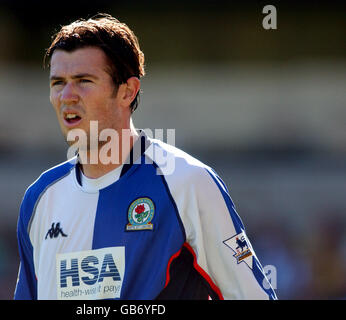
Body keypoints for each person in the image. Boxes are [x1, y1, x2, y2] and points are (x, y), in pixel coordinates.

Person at [14, 13, 277, 300]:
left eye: (84, 81)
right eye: (57, 83)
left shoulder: (186, 182)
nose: (67, 95)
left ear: (128, 91)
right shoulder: (39, 197)